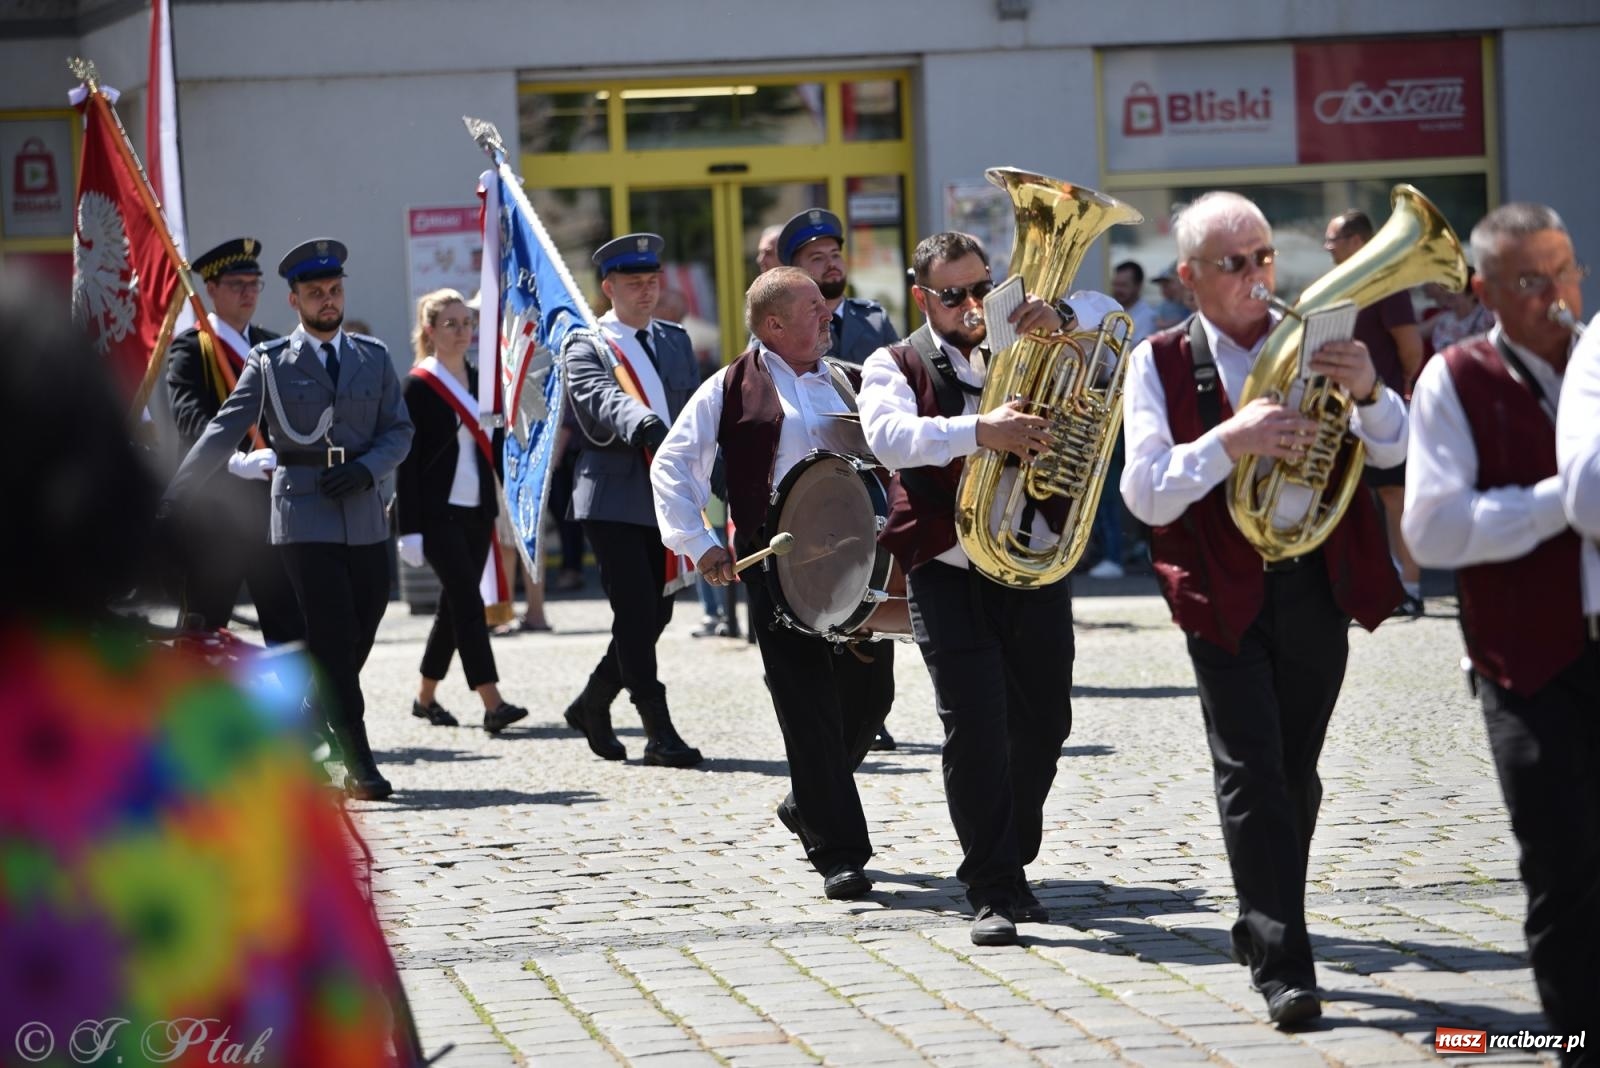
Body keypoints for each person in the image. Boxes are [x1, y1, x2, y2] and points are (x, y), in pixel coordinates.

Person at [0, 272, 420, 1068]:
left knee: (334, 639)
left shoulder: (365, 355)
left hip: (357, 517)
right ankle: (357, 746)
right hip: (295, 515)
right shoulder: (230, 733)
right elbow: (337, 1019)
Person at [1119, 192, 1407, 1027]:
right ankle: (1288, 964)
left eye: (1264, 259)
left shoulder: (1325, 341)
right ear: (1189, 279)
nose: (1255, 277)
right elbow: (1143, 492)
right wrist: (1230, 441)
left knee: (1294, 772)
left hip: (1317, 579)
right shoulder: (1159, 360)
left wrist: (1374, 396)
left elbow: (1400, 450)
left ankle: (1260, 915)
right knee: (1250, 771)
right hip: (1220, 588)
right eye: (1234, 264)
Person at [858, 230, 1087, 947]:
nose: (970, 305)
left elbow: (1115, 361)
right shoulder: (891, 362)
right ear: (924, 296)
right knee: (976, 727)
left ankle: (1008, 852)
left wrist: (1070, 329)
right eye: (952, 294)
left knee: (1046, 723)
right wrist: (979, 431)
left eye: (980, 287)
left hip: (1033, 559)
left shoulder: (1033, 344)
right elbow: (890, 438)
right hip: (949, 568)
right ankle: (990, 884)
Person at [1406, 202, 1598, 1053]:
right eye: (1531, 279)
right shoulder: (1456, 377)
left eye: (1566, 271)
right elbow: (1435, 532)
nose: (1557, 294)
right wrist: (1570, 499)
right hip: (1527, 663)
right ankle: (1576, 1034)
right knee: (1561, 865)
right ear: (1484, 290)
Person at [651, 267, 895, 900]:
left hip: (857, 566)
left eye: (826, 306)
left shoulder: (851, 378)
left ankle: (806, 800)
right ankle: (840, 852)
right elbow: (673, 463)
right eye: (813, 308)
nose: (828, 317)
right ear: (772, 324)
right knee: (807, 706)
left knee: (871, 698)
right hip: (778, 567)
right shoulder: (729, 387)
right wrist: (701, 545)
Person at [163, 238, 414, 801]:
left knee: (363, 622)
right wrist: (175, 499)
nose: (328, 300)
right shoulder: (271, 362)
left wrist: (369, 467)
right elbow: (220, 429)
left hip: (364, 508)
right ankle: (356, 758)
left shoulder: (372, 356)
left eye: (334, 290)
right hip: (302, 511)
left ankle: (305, 714)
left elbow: (400, 431)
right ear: (295, 300)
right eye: (315, 293)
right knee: (326, 632)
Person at [561, 232, 703, 767]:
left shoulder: (674, 339)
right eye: (632, 283)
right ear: (608, 288)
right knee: (637, 612)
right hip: (613, 496)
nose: (646, 292)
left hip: (666, 493)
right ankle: (657, 728)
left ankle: (593, 701)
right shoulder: (588, 342)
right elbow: (600, 398)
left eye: (652, 281)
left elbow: (691, 406)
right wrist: (642, 422)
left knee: (656, 614)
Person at [778, 207, 902, 750]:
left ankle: (861, 721)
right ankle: (826, 757)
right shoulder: (780, 322)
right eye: (815, 259)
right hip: (814, 501)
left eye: (835, 255)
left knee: (873, 638)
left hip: (871, 494)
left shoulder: (874, 319)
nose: (831, 265)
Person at [396, 288, 530, 735]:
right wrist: (408, 528)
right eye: (450, 324)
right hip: (436, 515)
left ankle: (424, 697)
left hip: (477, 510)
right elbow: (407, 462)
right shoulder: (418, 385)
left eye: (466, 323)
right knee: (469, 604)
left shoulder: (481, 380)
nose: (461, 332)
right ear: (430, 331)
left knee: (453, 608)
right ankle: (492, 702)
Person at [163, 237, 304, 643]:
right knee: (204, 622)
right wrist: (234, 459)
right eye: (236, 284)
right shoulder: (192, 348)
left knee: (287, 619)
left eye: (254, 284)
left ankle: (299, 707)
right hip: (218, 506)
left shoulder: (273, 343)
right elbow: (189, 416)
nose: (248, 293)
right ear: (211, 289)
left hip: (270, 504)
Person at [1325, 209, 1427, 616]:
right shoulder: (1341, 284)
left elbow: (1411, 349)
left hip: (1380, 409)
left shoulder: (1387, 285)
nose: (1326, 247)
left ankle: (1412, 587)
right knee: (1355, 502)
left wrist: (1390, 389)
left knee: (1395, 498)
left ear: (1356, 242)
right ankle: (1377, 586)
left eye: (1333, 239)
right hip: (1343, 412)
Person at [1425, 269, 1495, 354]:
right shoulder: (1443, 324)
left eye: (1456, 288)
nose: (1449, 292)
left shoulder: (1488, 314)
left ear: (1472, 293)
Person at [1111, 259, 1160, 343]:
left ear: (1138, 286)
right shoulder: (1110, 311)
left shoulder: (1148, 317)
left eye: (1123, 285)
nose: (1118, 290)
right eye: (1116, 284)